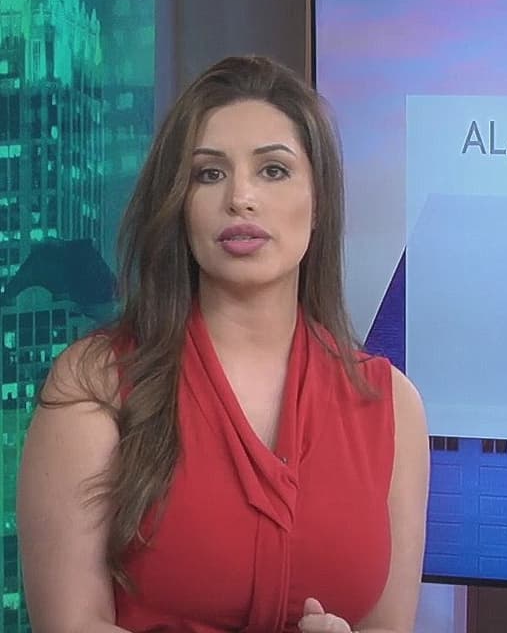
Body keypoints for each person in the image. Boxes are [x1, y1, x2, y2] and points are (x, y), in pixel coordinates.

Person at [17, 55, 429, 633]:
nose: (240, 197)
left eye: (273, 170)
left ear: (319, 204)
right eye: (209, 174)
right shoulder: (97, 384)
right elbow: (70, 625)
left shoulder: (391, 406)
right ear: (178, 204)